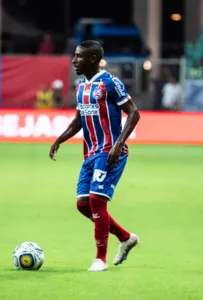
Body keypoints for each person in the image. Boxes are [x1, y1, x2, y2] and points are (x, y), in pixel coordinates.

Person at [49, 40, 141, 272]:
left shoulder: (110, 82)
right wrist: (60, 138)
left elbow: (134, 113)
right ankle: (126, 237)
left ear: (92, 59)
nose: (73, 60)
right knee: (83, 205)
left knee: (97, 201)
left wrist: (119, 144)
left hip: (109, 151)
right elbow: (79, 120)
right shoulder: (81, 86)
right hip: (90, 153)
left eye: (78, 56)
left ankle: (100, 259)